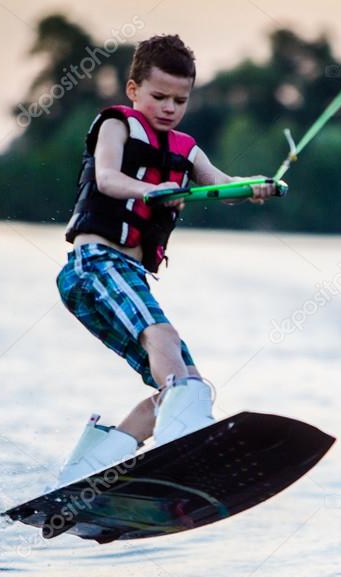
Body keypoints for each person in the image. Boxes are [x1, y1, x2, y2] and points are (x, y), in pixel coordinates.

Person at [53, 34, 275, 486]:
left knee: (185, 383)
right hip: (94, 265)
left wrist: (251, 186)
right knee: (165, 339)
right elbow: (108, 178)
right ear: (133, 90)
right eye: (159, 96)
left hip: (128, 275)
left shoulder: (186, 150)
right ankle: (185, 442)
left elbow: (220, 184)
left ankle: (88, 471)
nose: (169, 108)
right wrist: (149, 190)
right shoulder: (116, 125)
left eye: (180, 100)